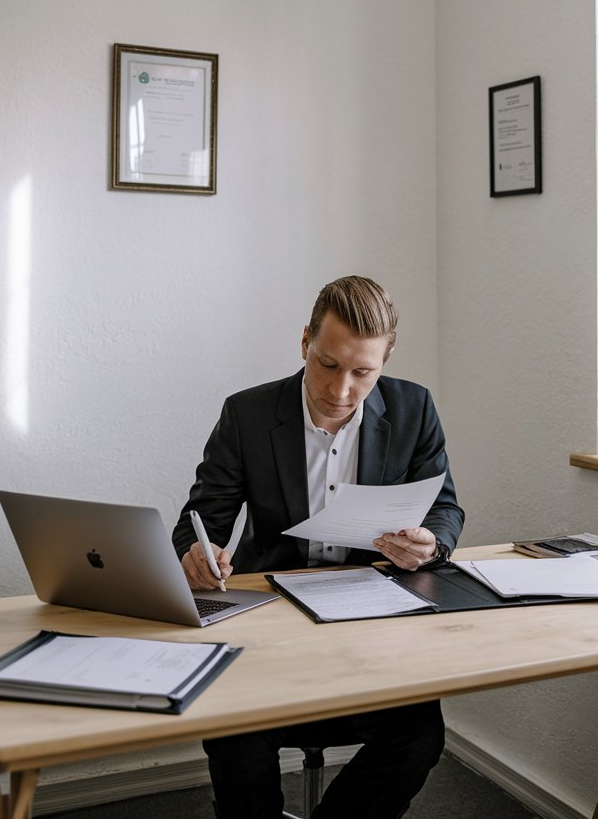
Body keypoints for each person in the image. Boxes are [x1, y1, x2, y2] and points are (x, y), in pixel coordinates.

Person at [171, 275, 464, 819]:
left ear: (386, 359)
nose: (341, 390)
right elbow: (197, 523)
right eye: (327, 364)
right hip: (268, 625)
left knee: (418, 737)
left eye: (363, 373)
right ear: (305, 341)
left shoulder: (414, 409)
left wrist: (430, 544)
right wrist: (197, 552)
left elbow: (445, 509)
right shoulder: (248, 414)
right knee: (233, 738)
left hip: (371, 621)